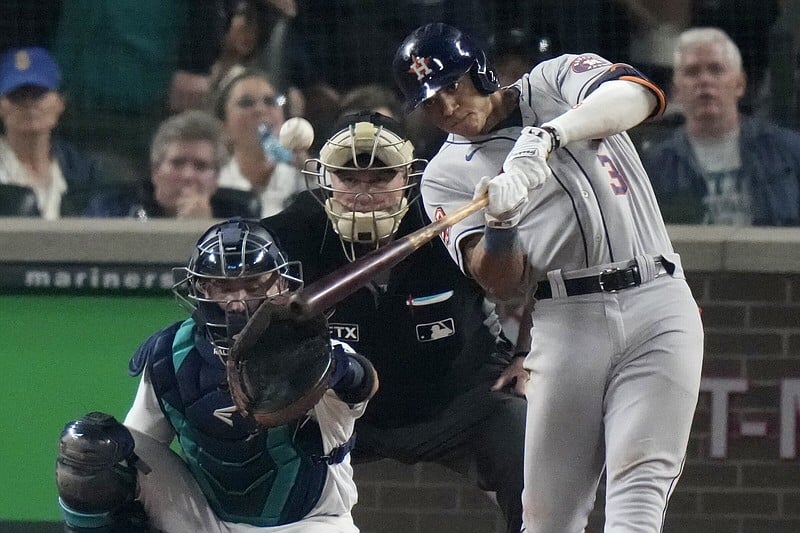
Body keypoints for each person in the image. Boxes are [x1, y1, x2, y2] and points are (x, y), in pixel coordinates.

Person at [392, 23, 704, 532]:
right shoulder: (445, 173)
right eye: (430, 100)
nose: (447, 106)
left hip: (657, 296)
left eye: (453, 85)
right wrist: (500, 224)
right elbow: (499, 281)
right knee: (547, 518)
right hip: (567, 317)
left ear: (480, 70)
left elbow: (642, 96)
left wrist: (552, 133)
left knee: (639, 491)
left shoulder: (555, 80)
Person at [260, 111, 528, 533]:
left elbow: (541, 271)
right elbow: (232, 284)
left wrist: (530, 354)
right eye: (349, 179)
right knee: (257, 441)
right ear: (326, 178)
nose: (363, 194)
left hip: (459, 396)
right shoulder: (289, 234)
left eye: (379, 179)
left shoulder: (449, 217)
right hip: (340, 409)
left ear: (409, 176)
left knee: (524, 433)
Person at [56, 217, 378, 532]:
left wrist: (336, 369)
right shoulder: (171, 353)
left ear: (281, 284)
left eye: (252, 285)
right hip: (208, 521)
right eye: (222, 288)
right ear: (200, 289)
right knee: (94, 451)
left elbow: (363, 386)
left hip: (310, 522)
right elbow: (137, 449)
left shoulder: (313, 352)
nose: (236, 303)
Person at [641, 27, 800, 226]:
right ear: (676, 90)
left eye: (716, 69)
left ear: (740, 84)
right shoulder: (655, 165)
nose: (705, 81)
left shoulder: (788, 151)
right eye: (692, 72)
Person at [85, 109, 261, 219]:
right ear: (155, 171)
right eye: (177, 164)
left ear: (215, 179)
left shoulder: (239, 216)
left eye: (200, 166)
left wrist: (205, 231)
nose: (188, 175)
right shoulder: (113, 209)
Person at [0, 46, 107, 218]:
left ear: (59, 103)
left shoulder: (84, 172)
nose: (29, 103)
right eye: (17, 96)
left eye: (38, 94)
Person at [212, 68, 306, 217]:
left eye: (270, 101)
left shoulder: (308, 181)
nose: (260, 110)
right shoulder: (213, 187)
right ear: (223, 126)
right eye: (246, 103)